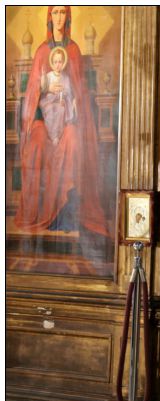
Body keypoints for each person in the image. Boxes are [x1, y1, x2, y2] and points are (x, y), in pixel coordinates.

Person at [14, 6, 108, 236]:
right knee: (36, 143)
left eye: (62, 12)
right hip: (43, 120)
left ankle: (67, 213)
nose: (58, 17)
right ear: (49, 17)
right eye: (54, 12)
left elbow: (79, 89)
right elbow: (33, 93)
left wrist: (71, 102)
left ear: (68, 17)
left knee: (73, 139)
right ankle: (38, 212)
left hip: (66, 119)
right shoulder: (41, 51)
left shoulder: (74, 50)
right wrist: (46, 88)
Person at [39, 47, 75, 146]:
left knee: (60, 109)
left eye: (60, 62)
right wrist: (44, 78)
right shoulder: (49, 75)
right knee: (50, 110)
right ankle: (52, 135)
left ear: (63, 63)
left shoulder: (65, 77)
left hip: (60, 102)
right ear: (52, 63)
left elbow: (68, 92)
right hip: (49, 101)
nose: (57, 64)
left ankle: (57, 136)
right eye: (55, 62)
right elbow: (43, 88)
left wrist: (64, 99)